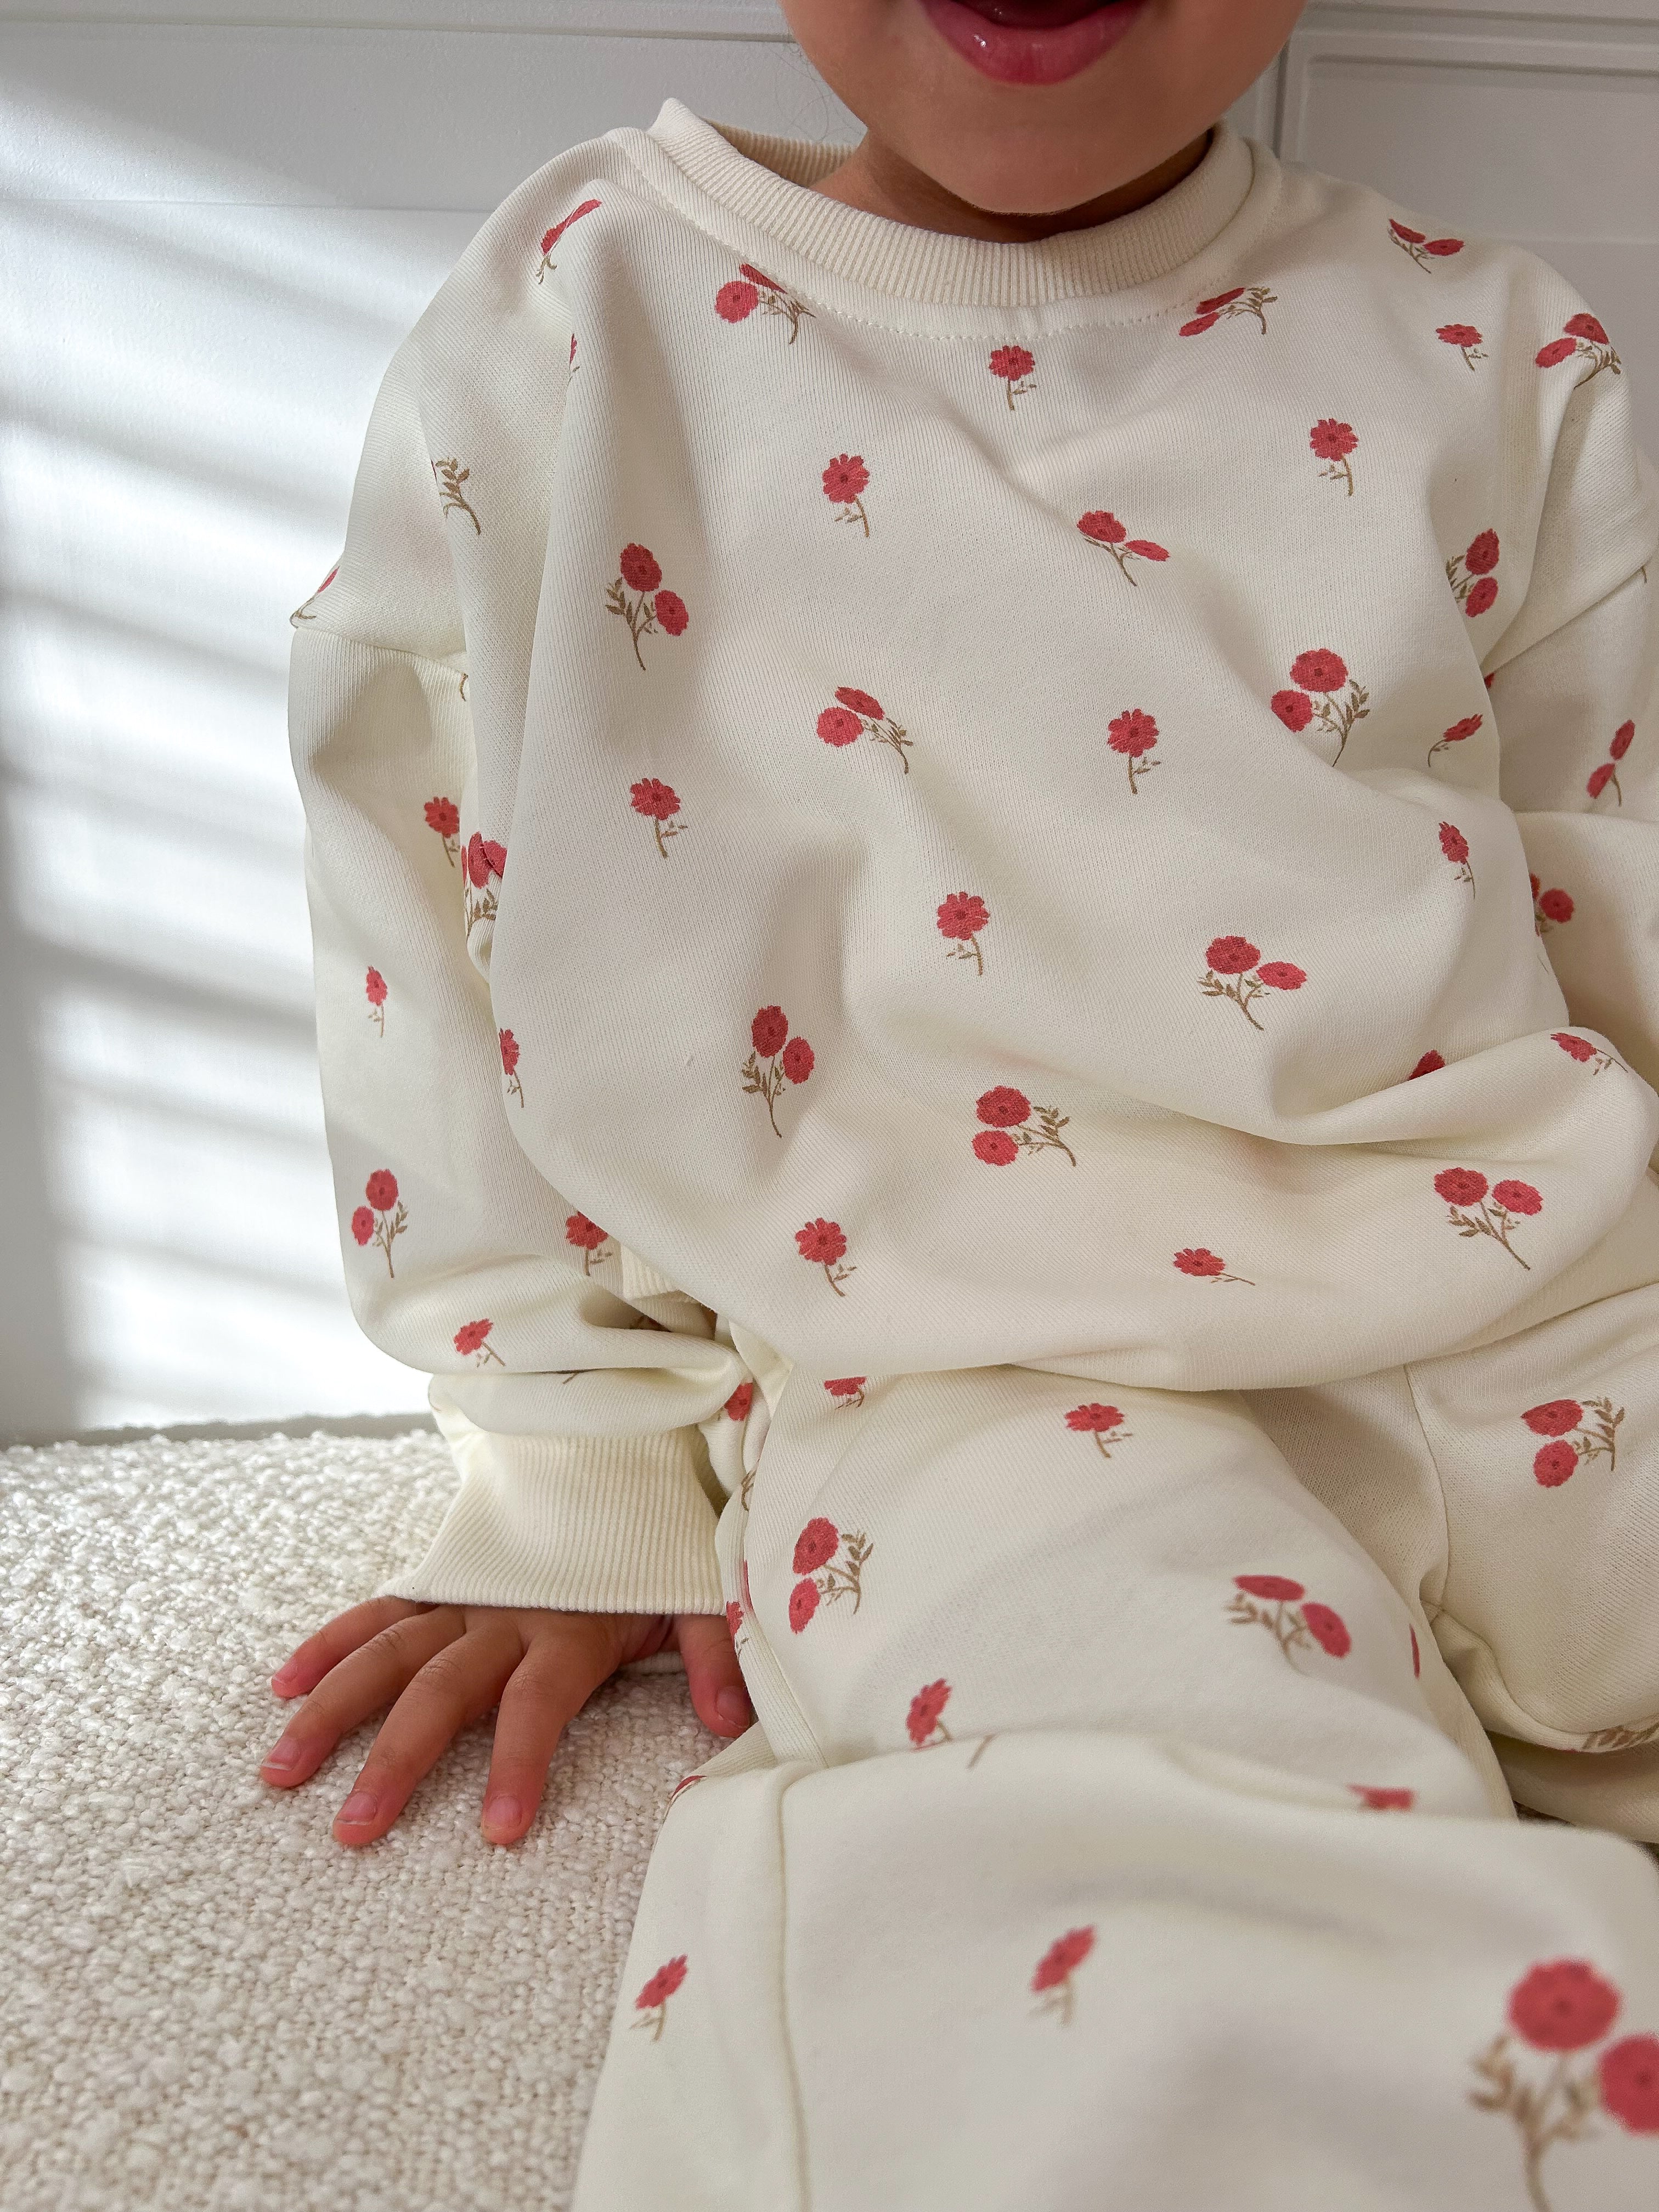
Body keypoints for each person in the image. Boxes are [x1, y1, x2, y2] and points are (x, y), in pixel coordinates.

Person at [269, 0, 1659, 2198]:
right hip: (995, 1378)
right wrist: (572, 1466)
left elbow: (1624, 874)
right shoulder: (585, 319)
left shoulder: (1491, 348)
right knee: (1143, 1919)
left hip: (1560, 1289)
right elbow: (425, 883)